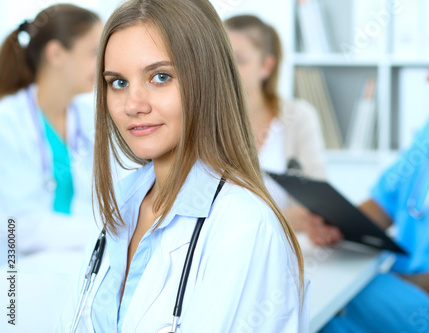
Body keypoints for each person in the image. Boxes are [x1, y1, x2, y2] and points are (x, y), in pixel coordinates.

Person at [56, 0, 309, 332]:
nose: (133, 104)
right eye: (118, 82)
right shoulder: (120, 205)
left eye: (160, 77)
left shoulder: (244, 226)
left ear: (207, 81)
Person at [321, 9, 429, 332]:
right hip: (398, 302)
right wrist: (333, 223)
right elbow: (381, 204)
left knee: (331, 306)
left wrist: (379, 290)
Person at [224, 15, 340, 246]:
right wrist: (284, 218)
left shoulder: (298, 117)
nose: (226, 69)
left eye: (238, 60)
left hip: (286, 248)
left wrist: (249, 224)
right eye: (219, 58)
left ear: (266, 66)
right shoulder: (205, 121)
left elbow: (318, 207)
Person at [0, 4, 102, 256]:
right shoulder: (8, 123)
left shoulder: (89, 119)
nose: (102, 65)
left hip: (77, 262)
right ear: (56, 53)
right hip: (18, 273)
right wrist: (99, 234)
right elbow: (17, 226)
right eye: (93, 53)